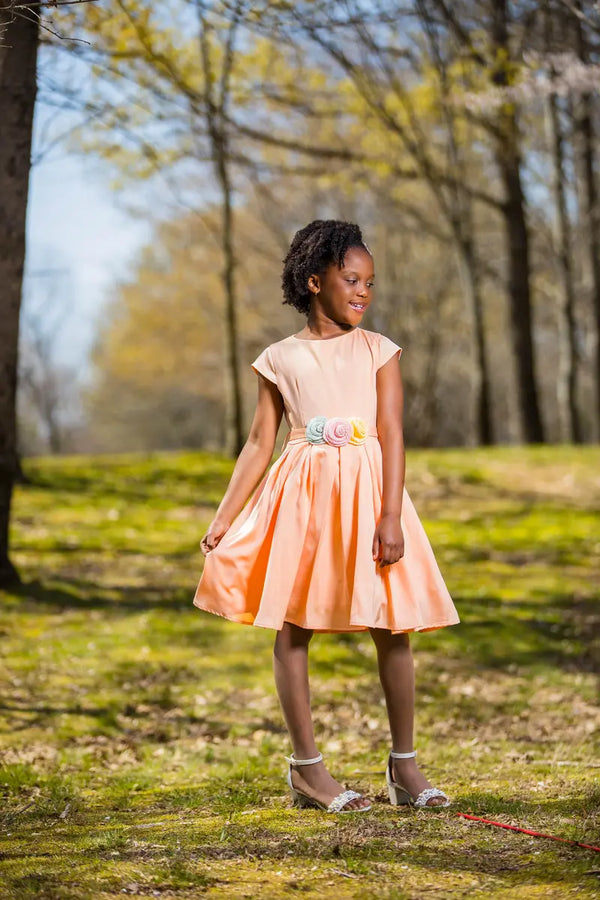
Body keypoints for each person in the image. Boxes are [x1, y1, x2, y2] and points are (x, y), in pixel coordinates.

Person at [194, 219, 460, 814]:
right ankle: (309, 773)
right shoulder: (278, 359)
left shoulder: (377, 349)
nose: (364, 292)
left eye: (370, 282)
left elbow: (391, 432)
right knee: (294, 627)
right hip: (304, 502)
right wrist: (223, 517)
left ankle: (405, 767)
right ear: (315, 282)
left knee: (393, 626)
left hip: (369, 498)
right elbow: (260, 443)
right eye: (351, 279)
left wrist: (389, 516)